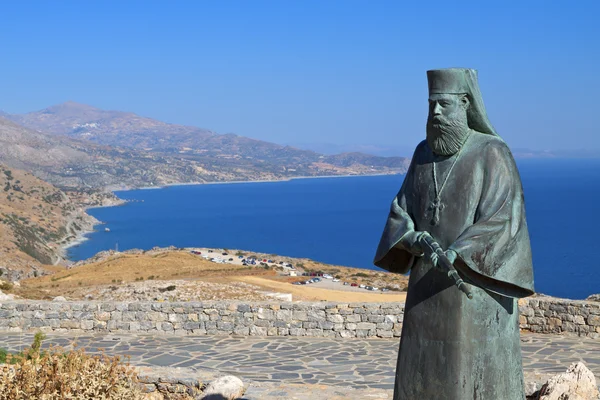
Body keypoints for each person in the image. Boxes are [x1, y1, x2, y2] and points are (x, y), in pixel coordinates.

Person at [374, 68, 535, 399]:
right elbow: (400, 210)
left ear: (465, 104)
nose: (434, 112)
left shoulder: (491, 151)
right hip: (424, 288)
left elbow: (502, 218)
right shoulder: (421, 154)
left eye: (443, 105)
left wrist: (456, 252)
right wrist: (412, 238)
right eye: (431, 104)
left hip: (472, 288)